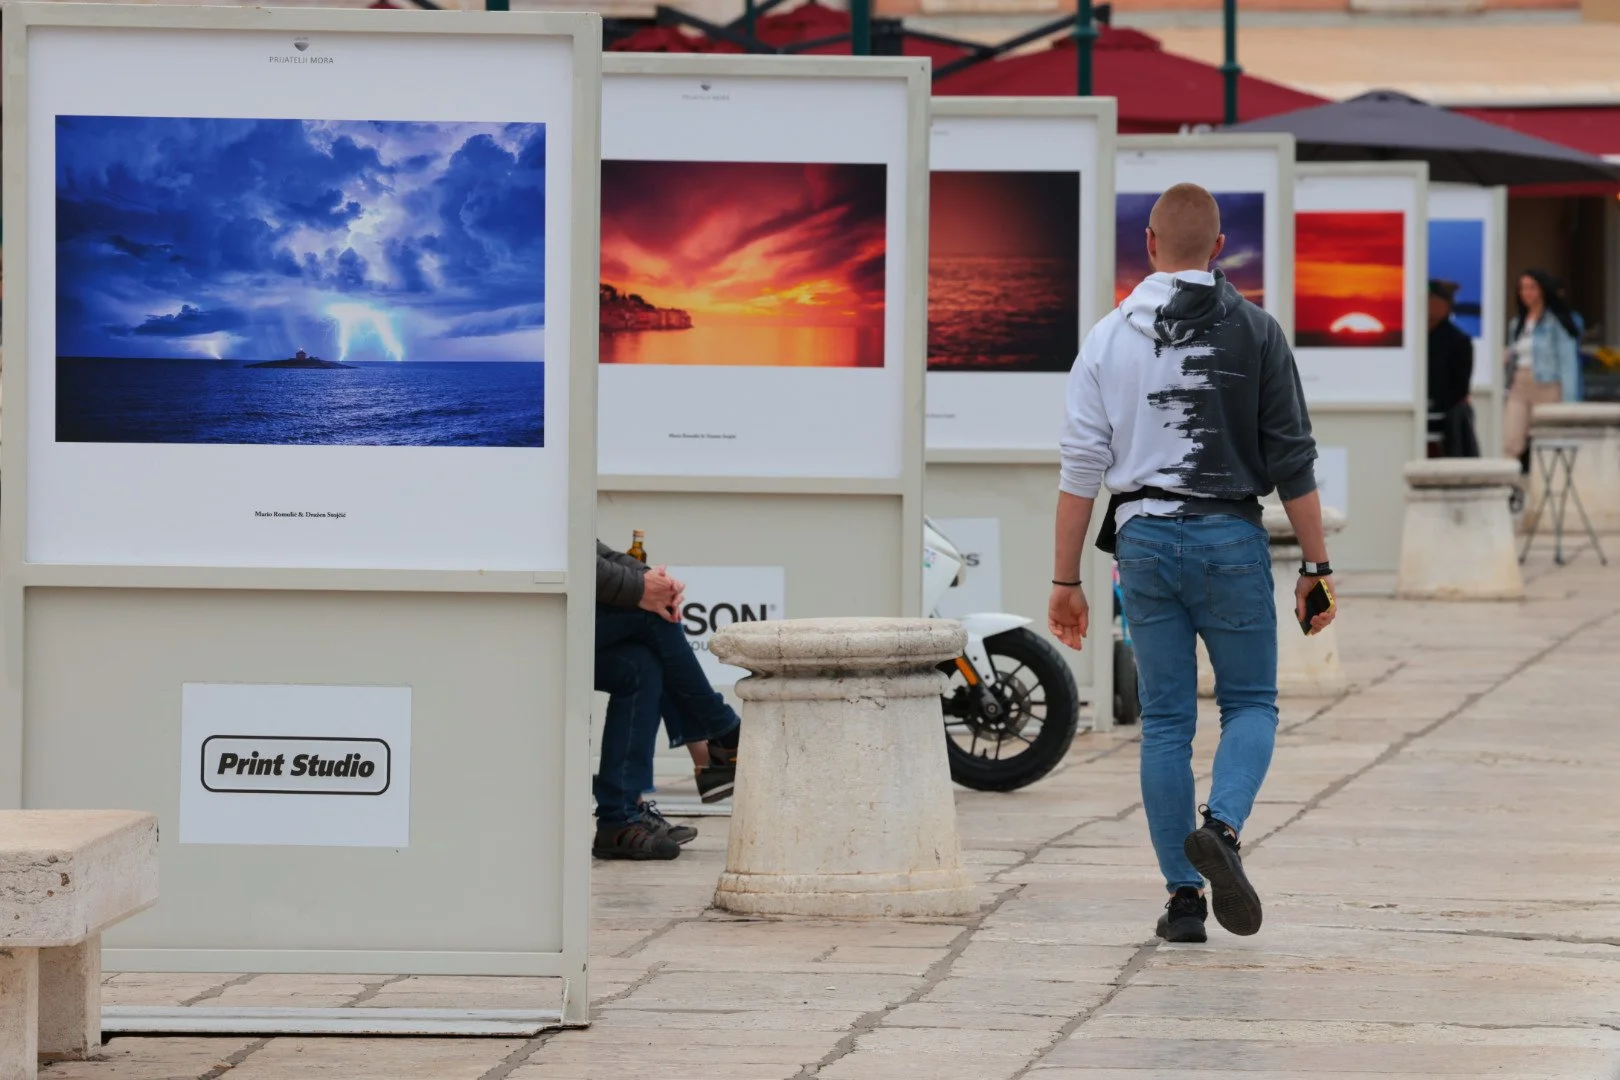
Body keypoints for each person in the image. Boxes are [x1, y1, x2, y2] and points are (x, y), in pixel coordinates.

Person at [1048, 183, 1336, 944]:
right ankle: (1225, 830)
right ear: (1218, 250)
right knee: (1250, 704)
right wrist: (1317, 565)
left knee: (1166, 724)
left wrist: (1065, 581)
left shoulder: (1107, 339)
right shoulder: (1259, 332)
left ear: (1148, 243)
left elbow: (1080, 469)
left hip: (1142, 543)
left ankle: (1183, 901)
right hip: (1230, 540)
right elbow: (1294, 460)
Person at [594, 541, 741, 860]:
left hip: (570, 615)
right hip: (533, 616)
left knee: (641, 665)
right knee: (652, 617)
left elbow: (595, 551)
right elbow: (575, 561)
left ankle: (619, 819)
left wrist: (651, 580)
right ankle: (723, 735)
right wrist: (641, 590)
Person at [1504, 269, 1581, 490]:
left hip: (1547, 385)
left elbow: (1568, 362)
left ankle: (1545, 494)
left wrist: (1570, 401)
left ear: (1543, 290)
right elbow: (1515, 354)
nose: (1526, 293)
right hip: (1520, 383)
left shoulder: (1556, 322)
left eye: (1531, 287)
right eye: (1522, 288)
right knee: (1510, 441)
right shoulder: (1516, 323)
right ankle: (1512, 495)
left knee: (1547, 444)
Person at [1427, 280, 1479, 458]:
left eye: (1433, 300)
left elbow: (1459, 389)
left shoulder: (1459, 341)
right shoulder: (1416, 340)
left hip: (1444, 421)